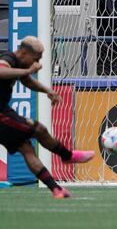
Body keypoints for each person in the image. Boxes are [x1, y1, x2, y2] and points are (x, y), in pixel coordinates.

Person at [0, 36, 94, 198]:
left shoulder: (19, 64)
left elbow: (27, 81)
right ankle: (67, 156)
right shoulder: (8, 59)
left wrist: (47, 91)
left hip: (3, 111)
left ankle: (56, 189)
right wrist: (28, 70)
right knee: (39, 129)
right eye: (36, 58)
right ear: (23, 52)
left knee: (26, 147)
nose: (39, 62)